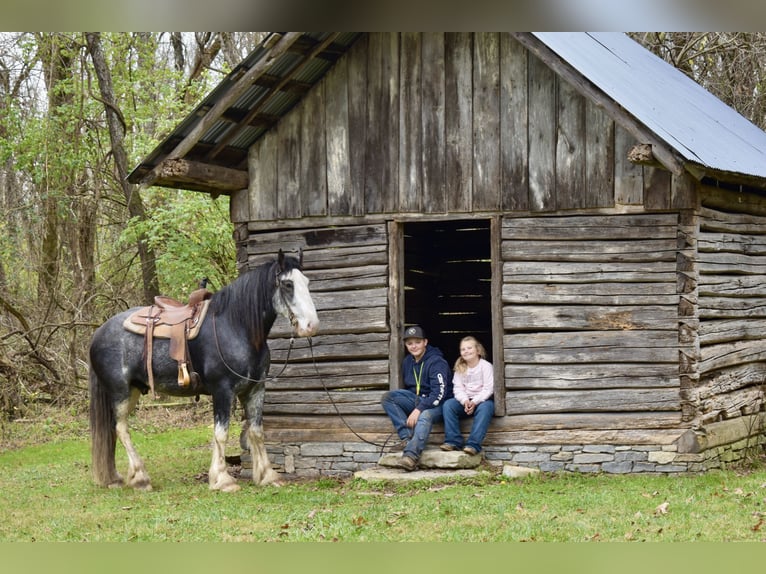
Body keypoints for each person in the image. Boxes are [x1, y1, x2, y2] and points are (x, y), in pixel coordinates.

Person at [381, 325, 453, 471]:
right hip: (418, 398)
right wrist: (416, 405)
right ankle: (406, 438)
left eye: (417, 342)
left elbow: (439, 393)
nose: (414, 346)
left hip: (440, 404)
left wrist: (418, 409)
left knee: (425, 415)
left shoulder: (436, 362)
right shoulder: (408, 361)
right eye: (410, 343)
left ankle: (411, 456)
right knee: (388, 397)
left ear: (425, 342)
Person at [440, 336, 494, 456]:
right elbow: (458, 388)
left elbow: (488, 388)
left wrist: (474, 401)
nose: (466, 351)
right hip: (465, 402)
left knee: (487, 408)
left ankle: (473, 444)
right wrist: (465, 401)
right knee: (449, 405)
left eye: (469, 348)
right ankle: (453, 441)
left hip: (482, 401)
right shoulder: (460, 368)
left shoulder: (486, 366)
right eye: (463, 349)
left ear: (478, 350)